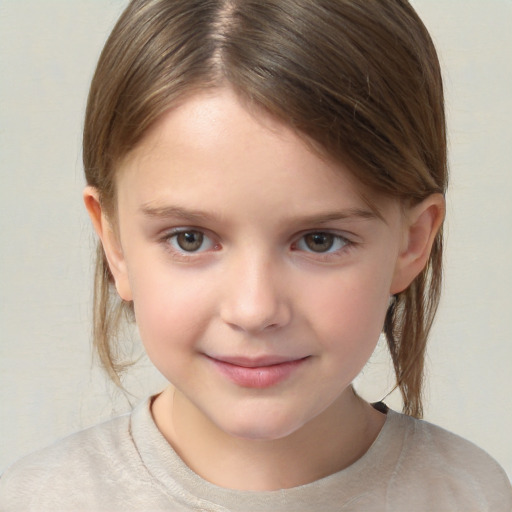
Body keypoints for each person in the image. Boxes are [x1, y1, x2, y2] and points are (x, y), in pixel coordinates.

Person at [1, 0, 511, 510]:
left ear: (412, 241)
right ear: (114, 243)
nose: (254, 310)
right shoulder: (38, 499)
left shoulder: (472, 495)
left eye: (319, 240)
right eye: (190, 239)